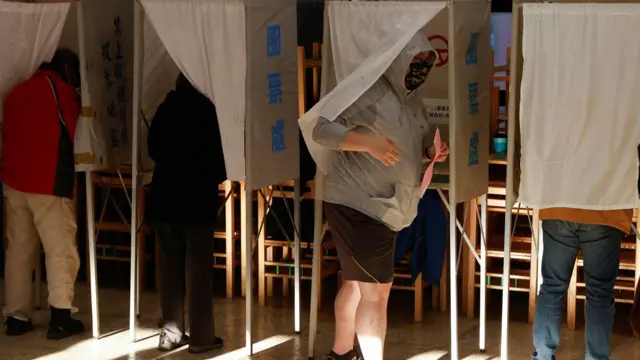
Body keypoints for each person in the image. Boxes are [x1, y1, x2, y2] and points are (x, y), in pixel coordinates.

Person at [311, 33, 448, 360]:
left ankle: (341, 353)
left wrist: (429, 152)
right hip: (358, 203)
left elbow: (409, 147)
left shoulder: (412, 100)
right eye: (413, 61)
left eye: (423, 63)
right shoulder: (365, 89)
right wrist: (366, 143)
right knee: (377, 293)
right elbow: (321, 129)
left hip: (385, 206)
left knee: (358, 285)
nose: (418, 68)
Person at [1, 48, 84, 339]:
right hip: (48, 183)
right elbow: (77, 132)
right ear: (68, 71)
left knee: (19, 252)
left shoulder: (16, 90)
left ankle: (16, 317)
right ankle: (60, 316)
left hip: (13, 180)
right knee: (59, 249)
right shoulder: (60, 91)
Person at [146, 74, 226, 353]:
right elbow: (218, 161)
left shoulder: (165, 108)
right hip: (196, 202)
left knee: (169, 269)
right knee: (199, 272)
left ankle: (171, 334)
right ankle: (202, 339)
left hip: (164, 199)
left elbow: (152, 148)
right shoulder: (207, 112)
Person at [532, 205, 633, 359]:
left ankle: (543, 356)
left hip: (560, 205)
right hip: (606, 211)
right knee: (600, 292)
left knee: (552, 287)